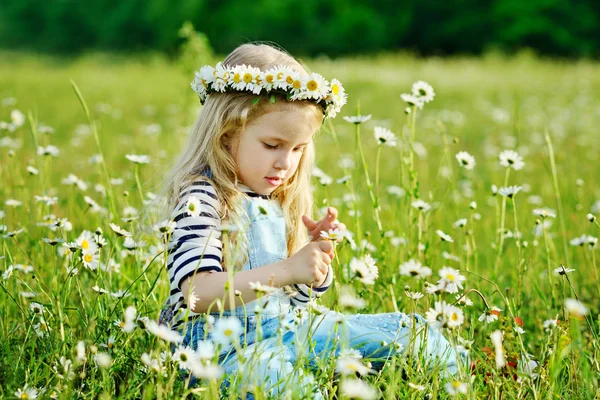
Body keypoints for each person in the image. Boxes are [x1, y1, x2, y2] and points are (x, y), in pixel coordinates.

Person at [158, 43, 463, 398]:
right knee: (277, 382)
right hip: (223, 347)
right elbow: (199, 292)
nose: (286, 163)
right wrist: (287, 270)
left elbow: (295, 301)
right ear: (226, 135)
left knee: (411, 332)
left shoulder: (277, 199)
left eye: (298, 148)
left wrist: (314, 267)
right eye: (272, 145)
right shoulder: (203, 197)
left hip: (291, 329)